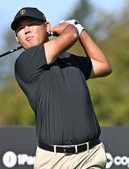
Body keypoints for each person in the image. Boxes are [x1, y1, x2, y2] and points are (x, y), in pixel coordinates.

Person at [11, 7, 112, 169]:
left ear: (47, 26)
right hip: (54, 160)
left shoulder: (69, 59)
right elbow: (71, 36)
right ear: (17, 38)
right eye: (20, 28)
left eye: (31, 24)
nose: (26, 30)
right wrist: (72, 28)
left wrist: (81, 30)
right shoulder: (25, 61)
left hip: (90, 155)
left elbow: (103, 66)